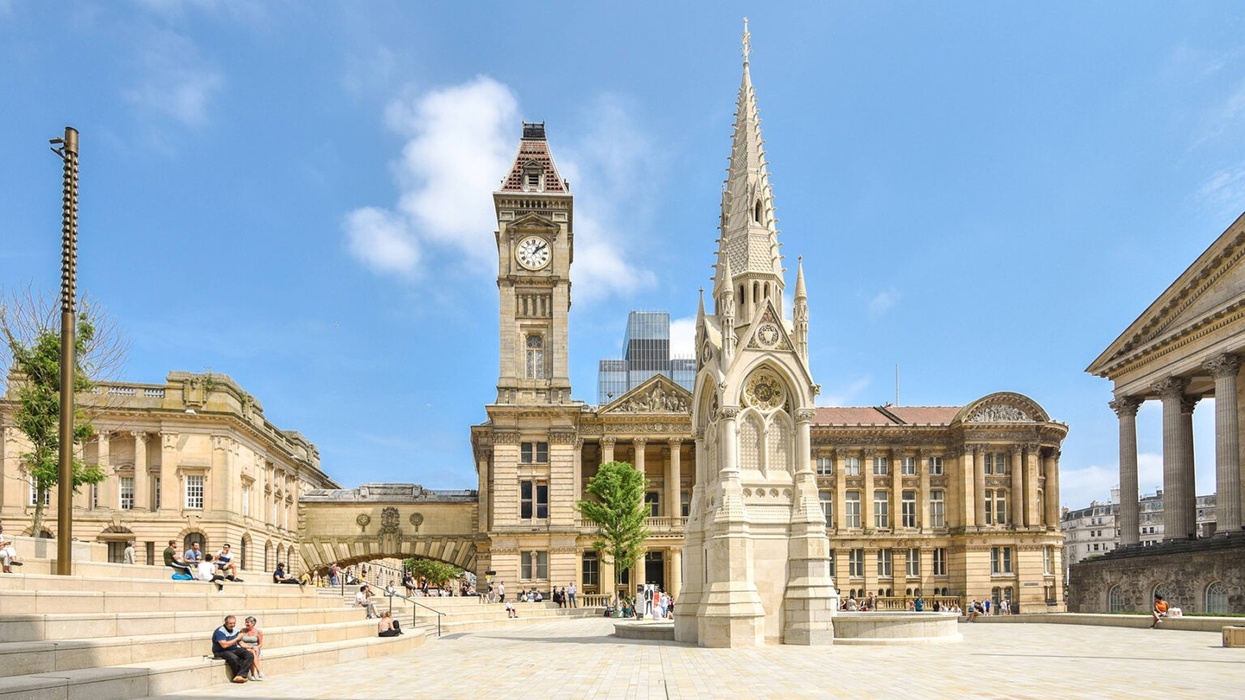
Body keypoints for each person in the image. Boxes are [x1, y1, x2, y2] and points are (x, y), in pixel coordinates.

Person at [211, 615, 252, 683]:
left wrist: (251, 647)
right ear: (226, 622)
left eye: (234, 623)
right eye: (230, 623)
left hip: (233, 649)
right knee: (234, 658)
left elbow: (240, 643)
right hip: (221, 651)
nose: (232, 625)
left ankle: (240, 676)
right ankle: (238, 675)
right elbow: (224, 645)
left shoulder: (236, 630)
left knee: (249, 655)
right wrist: (236, 638)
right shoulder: (219, 631)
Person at [239, 616, 265, 681]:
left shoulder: (259, 632)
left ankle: (253, 674)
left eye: (248, 622)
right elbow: (240, 641)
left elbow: (260, 644)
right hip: (245, 647)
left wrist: (257, 647)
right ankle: (259, 671)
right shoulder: (242, 630)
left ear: (253, 623)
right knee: (251, 652)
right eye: (246, 622)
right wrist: (248, 647)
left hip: (255, 648)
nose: (246, 624)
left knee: (253, 652)